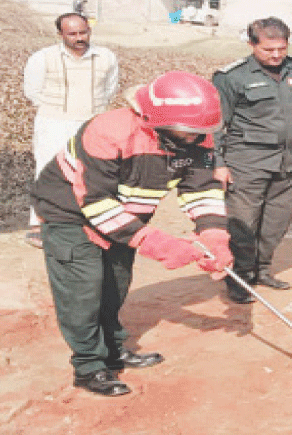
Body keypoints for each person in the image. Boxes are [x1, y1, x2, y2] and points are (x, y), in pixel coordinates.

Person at [31, 71, 233, 396]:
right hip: (71, 213)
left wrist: (215, 237)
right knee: (83, 291)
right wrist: (157, 243)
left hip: (126, 213)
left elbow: (202, 189)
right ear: (154, 120)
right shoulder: (107, 132)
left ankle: (113, 351)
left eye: (202, 133)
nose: (197, 139)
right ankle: (89, 367)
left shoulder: (196, 135)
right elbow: (95, 202)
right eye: (188, 132)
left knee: (115, 284)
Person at [212, 17, 292, 304]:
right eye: (268, 49)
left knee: (277, 221)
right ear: (252, 44)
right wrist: (218, 162)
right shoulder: (231, 77)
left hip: (289, 161)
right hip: (246, 161)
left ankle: (262, 268)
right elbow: (216, 124)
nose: (276, 55)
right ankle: (239, 276)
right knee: (243, 224)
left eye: (281, 48)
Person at [23, 12, 119, 248]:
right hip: (53, 121)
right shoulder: (42, 58)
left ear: (89, 31)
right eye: (72, 34)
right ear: (60, 35)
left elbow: (110, 90)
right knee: (48, 170)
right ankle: (39, 223)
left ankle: (84, 222)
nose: (79, 38)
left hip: (91, 122)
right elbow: (32, 92)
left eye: (83, 32)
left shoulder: (106, 57)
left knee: (88, 172)